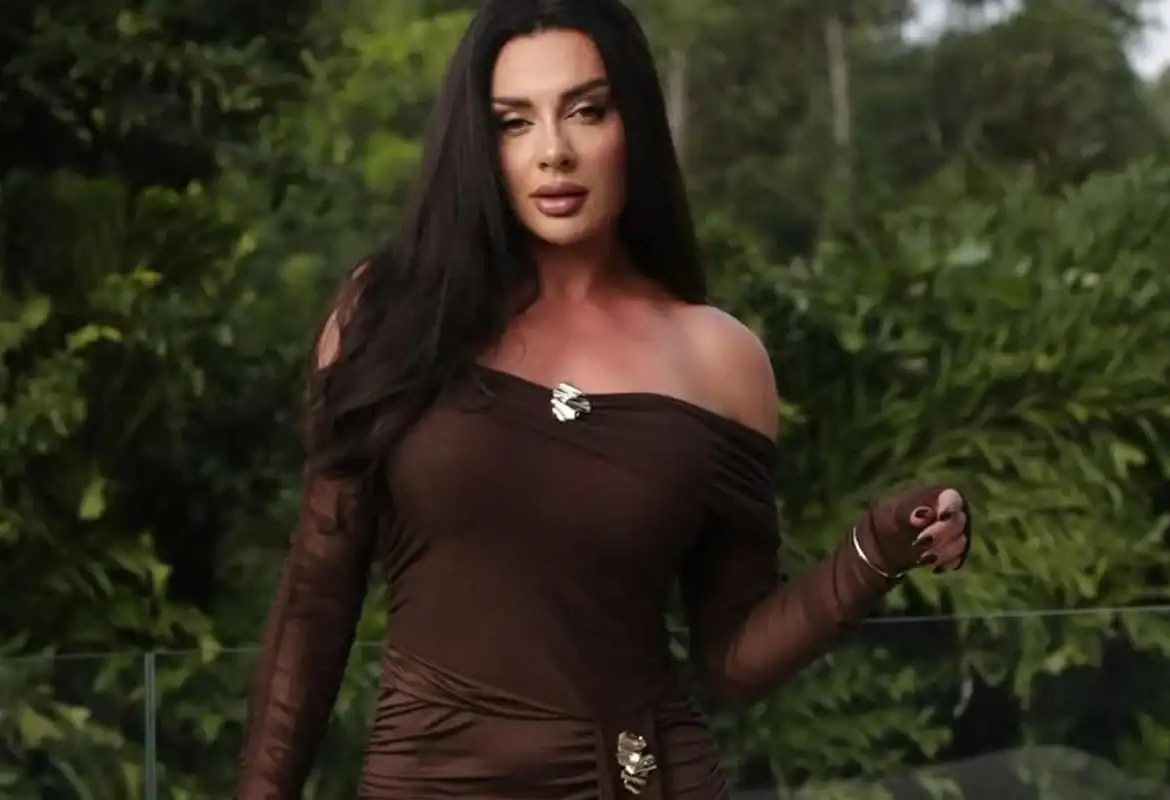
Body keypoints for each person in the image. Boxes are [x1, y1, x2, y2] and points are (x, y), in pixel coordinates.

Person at [234, 0, 973, 797]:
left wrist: (874, 552)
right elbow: (314, 602)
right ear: (478, 144)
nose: (553, 151)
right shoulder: (391, 314)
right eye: (514, 122)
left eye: (586, 111)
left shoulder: (717, 358)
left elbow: (733, 659)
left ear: (635, 126)